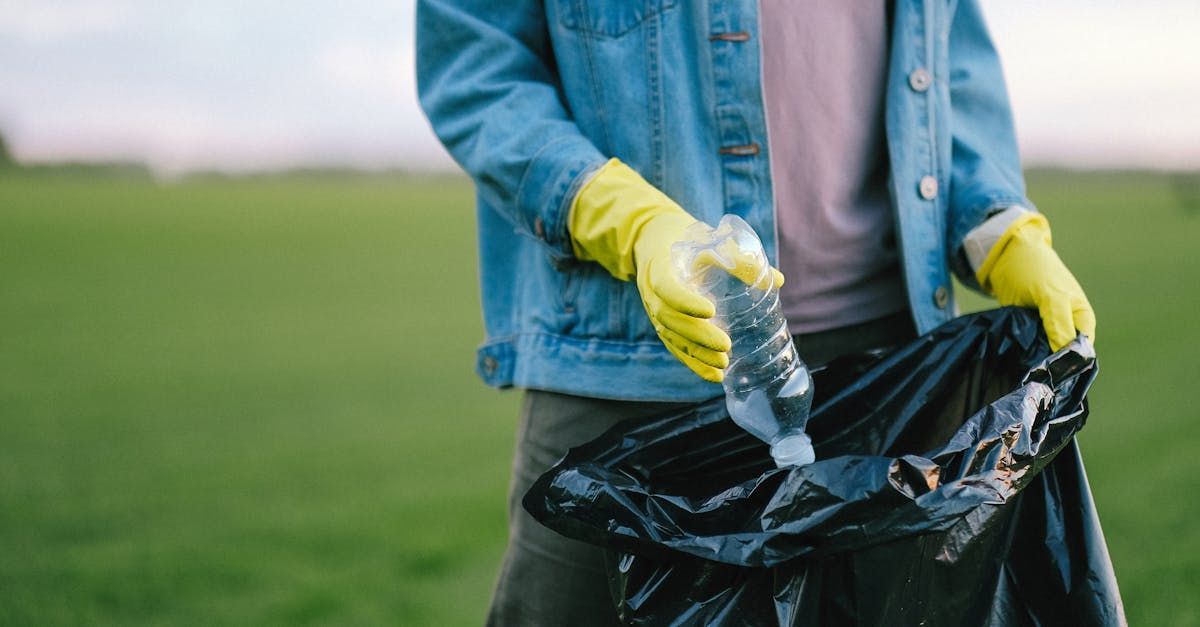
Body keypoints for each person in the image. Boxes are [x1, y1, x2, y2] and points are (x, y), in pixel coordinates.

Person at [416, 1, 1096, 625]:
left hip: (888, 368)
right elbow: (477, 67)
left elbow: (948, 52)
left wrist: (999, 226)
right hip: (622, 365)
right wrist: (627, 221)